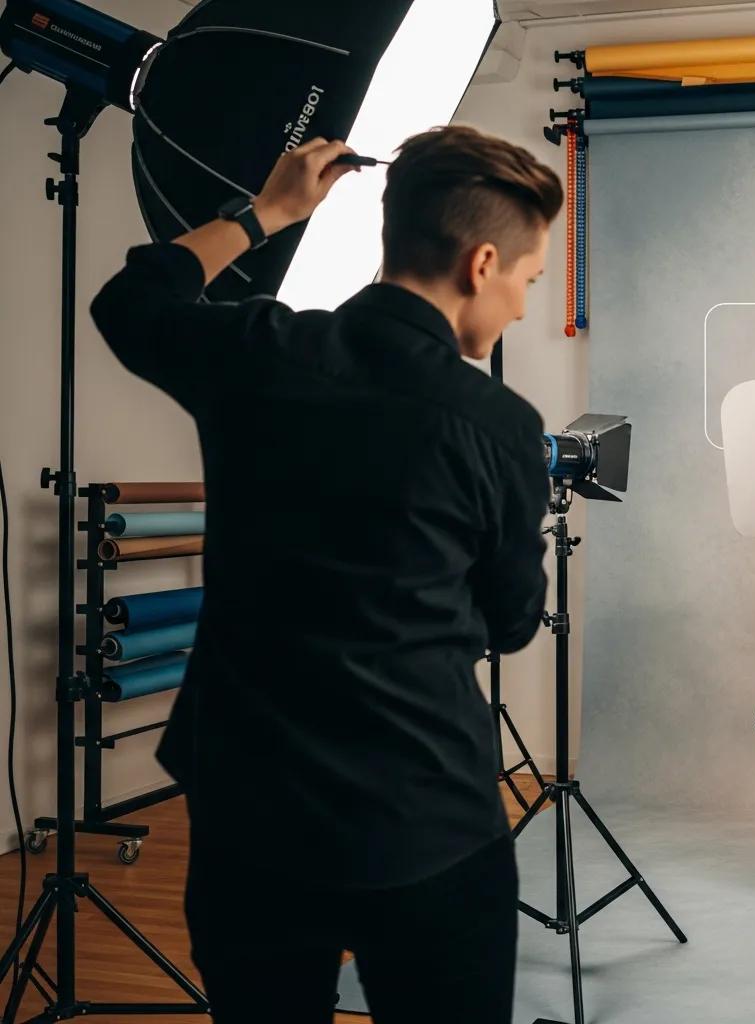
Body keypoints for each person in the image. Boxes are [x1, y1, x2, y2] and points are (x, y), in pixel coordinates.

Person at [90, 126, 563, 1023]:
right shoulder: (500, 424)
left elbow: (130, 300)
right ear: (483, 262)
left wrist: (265, 212)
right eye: (527, 282)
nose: (522, 307)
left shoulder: (258, 353)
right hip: (427, 817)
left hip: (248, 819)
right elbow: (510, 623)